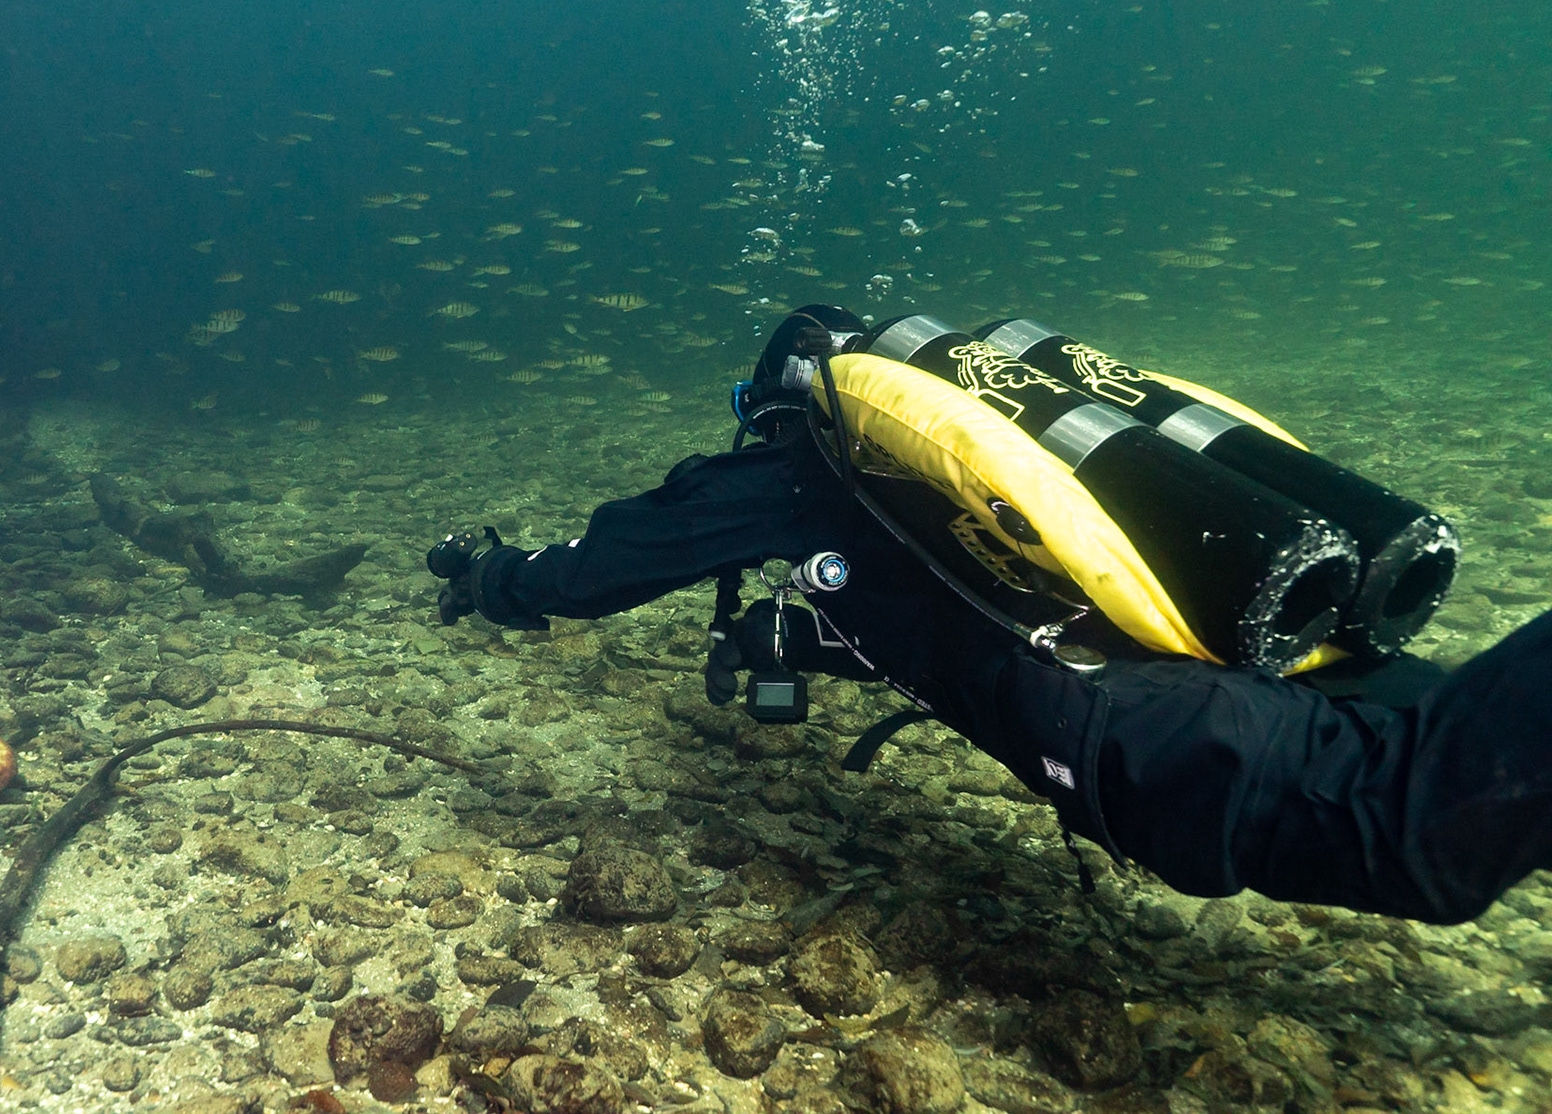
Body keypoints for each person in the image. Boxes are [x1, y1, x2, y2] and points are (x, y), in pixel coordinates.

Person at [427, 306, 1552, 926]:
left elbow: (594, 568)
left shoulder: (797, 470)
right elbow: (898, 602)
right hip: (1276, 635)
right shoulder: (959, 474)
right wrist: (783, 636)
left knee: (1419, 834)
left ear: (773, 401)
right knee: (1461, 750)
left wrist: (491, 578)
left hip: (1144, 723)